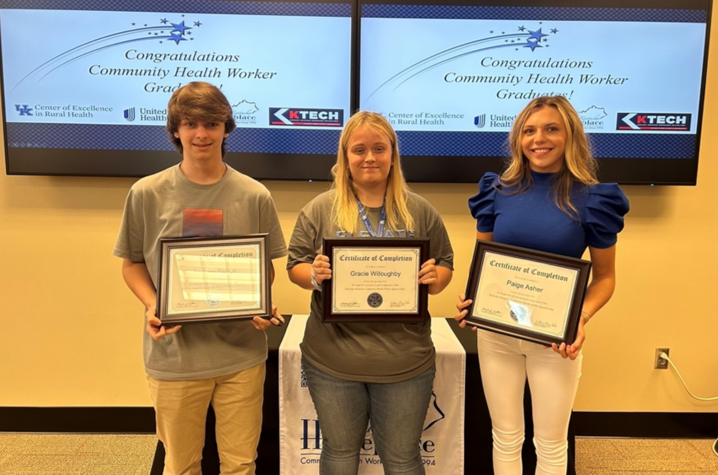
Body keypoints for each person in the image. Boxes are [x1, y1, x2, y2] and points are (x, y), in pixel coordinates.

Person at [113, 81, 287, 475]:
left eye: (211, 123)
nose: (201, 133)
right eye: (190, 123)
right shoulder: (146, 193)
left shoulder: (254, 194)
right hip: (175, 358)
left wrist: (260, 301)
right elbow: (132, 264)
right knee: (181, 465)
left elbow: (266, 267)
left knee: (241, 464)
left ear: (227, 127)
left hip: (240, 355)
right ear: (175, 130)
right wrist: (153, 304)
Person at [455, 95, 629, 475]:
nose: (539, 139)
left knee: (549, 444)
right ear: (518, 139)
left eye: (552, 129)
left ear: (570, 136)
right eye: (529, 131)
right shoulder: (496, 190)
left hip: (555, 340)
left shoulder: (593, 199)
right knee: (505, 436)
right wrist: (473, 298)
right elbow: (484, 261)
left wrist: (580, 317)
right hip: (496, 335)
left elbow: (605, 278)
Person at [286, 111, 454, 475]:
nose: (370, 158)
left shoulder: (419, 210)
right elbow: (294, 267)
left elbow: (445, 268)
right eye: (359, 149)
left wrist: (433, 278)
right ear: (345, 157)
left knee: (402, 458)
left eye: (379, 148)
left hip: (404, 362)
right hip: (333, 360)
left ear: (393, 154)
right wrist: (314, 275)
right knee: (340, 453)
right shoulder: (320, 209)